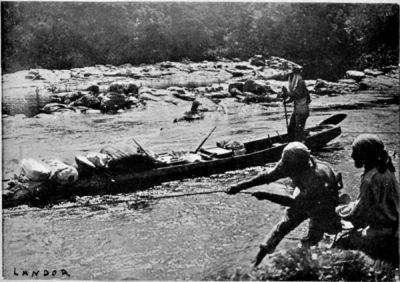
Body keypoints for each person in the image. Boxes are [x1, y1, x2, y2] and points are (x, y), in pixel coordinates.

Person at [226, 142, 342, 267]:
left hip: (324, 199)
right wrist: (239, 186)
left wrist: (267, 196)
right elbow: (266, 177)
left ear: (299, 165)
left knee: (315, 234)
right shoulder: (289, 164)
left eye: (288, 165)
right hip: (304, 193)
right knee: (283, 227)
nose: (284, 168)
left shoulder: (315, 177)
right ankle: (258, 260)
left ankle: (310, 258)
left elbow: (296, 203)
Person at [334, 134, 399, 267]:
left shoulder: (369, 178)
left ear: (365, 155)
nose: (352, 156)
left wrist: (339, 212)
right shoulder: (387, 170)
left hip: (380, 233)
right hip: (393, 228)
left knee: (341, 243)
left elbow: (359, 214)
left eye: (355, 152)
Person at [256, 65, 311, 141]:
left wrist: (286, 93)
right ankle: (291, 141)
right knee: (291, 128)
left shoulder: (300, 82)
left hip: (302, 111)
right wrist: (286, 100)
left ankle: (299, 143)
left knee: (298, 130)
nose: (292, 75)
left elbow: (297, 95)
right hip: (297, 110)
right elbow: (293, 97)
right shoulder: (294, 81)